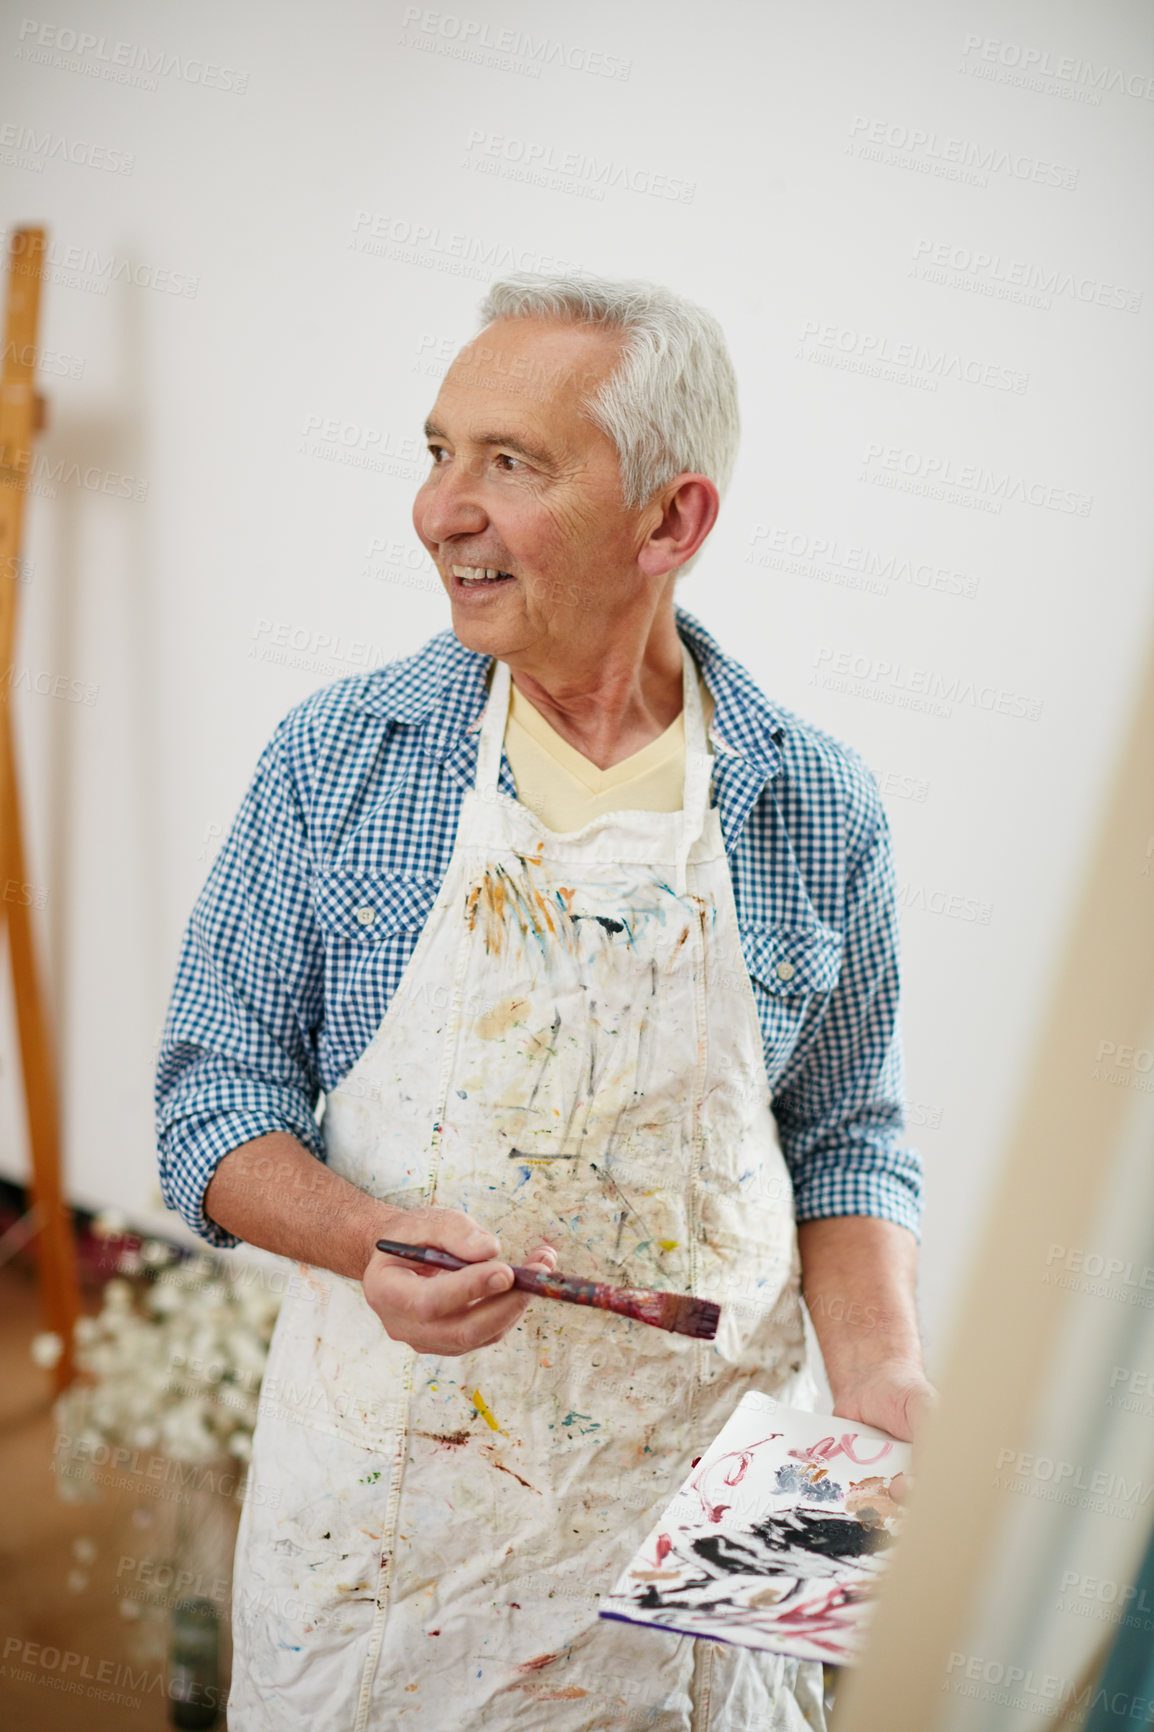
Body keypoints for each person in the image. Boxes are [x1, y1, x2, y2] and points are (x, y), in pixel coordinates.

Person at [155, 273, 932, 1730]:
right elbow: (212, 1105)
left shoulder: (813, 802)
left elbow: (845, 1134)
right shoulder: (341, 760)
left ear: (669, 522)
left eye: (510, 465)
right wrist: (360, 1236)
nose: (440, 508)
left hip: (700, 1522)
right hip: (393, 1523)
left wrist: (881, 1373)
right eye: (438, 451)